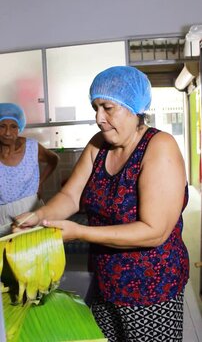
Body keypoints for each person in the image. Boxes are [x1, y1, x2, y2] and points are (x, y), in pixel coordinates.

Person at [14, 66, 189, 342]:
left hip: (150, 288)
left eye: (107, 107)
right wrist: (39, 217)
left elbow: (154, 231)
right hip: (106, 282)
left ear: (133, 107)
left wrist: (79, 233)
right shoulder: (99, 145)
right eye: (95, 107)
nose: (98, 118)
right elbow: (71, 196)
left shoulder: (159, 147)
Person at [0, 102, 59, 235]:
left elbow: (54, 160)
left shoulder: (32, 147)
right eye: (2, 126)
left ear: (19, 127)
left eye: (13, 126)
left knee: (36, 253)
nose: (8, 132)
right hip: (2, 217)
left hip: (31, 210)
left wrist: (40, 182)